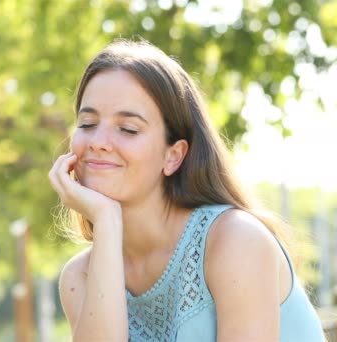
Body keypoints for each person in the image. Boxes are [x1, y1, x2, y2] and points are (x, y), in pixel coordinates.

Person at [48, 39, 325, 341]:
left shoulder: (236, 241)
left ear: (173, 155)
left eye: (128, 129)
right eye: (87, 123)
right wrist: (106, 221)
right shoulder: (81, 278)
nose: (97, 141)